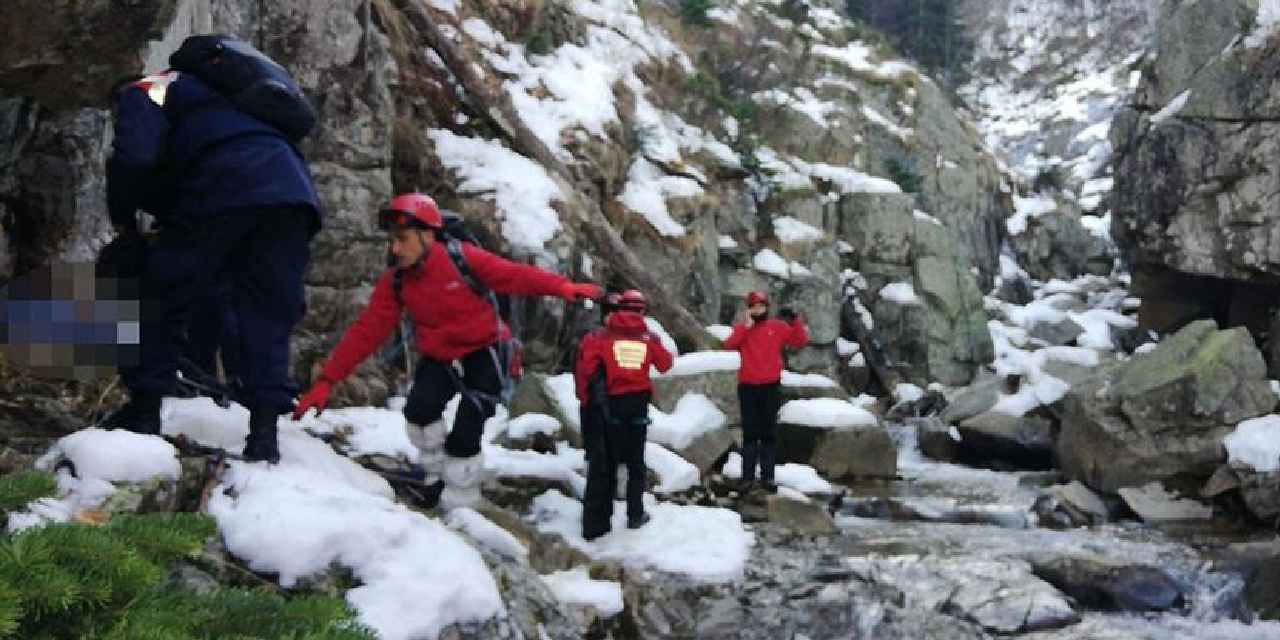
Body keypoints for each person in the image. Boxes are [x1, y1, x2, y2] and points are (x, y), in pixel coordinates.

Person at [292, 193, 601, 510]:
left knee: (468, 429)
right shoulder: (397, 281)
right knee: (419, 414)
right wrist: (327, 381)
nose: (395, 249)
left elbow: (514, 275)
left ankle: (461, 500)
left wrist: (563, 288)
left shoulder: (462, 259)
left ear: (427, 236)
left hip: (486, 351)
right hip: (441, 356)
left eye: (403, 239)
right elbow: (367, 331)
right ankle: (437, 476)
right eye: (392, 241)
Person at [97, 55, 322, 466]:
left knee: (158, 290)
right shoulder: (230, 99)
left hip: (226, 184)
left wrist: (124, 216)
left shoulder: (150, 88)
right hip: (294, 197)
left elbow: (136, 156)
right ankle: (264, 437)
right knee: (267, 309)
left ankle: (144, 412)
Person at [577, 290, 673, 540]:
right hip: (638, 406)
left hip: (610, 406)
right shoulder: (648, 338)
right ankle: (634, 513)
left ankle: (598, 522)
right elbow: (665, 364)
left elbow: (586, 370)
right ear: (643, 311)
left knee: (604, 464)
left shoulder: (601, 337)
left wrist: (586, 402)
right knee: (636, 463)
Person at [722, 291, 808, 492]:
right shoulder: (744, 328)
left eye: (761, 306)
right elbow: (729, 344)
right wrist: (746, 327)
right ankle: (747, 477)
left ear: (767, 307)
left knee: (768, 434)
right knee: (750, 434)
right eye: (754, 306)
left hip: (770, 386)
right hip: (748, 387)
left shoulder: (777, 327)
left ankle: (768, 477)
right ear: (749, 309)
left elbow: (799, 341)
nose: (758, 309)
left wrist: (795, 320)